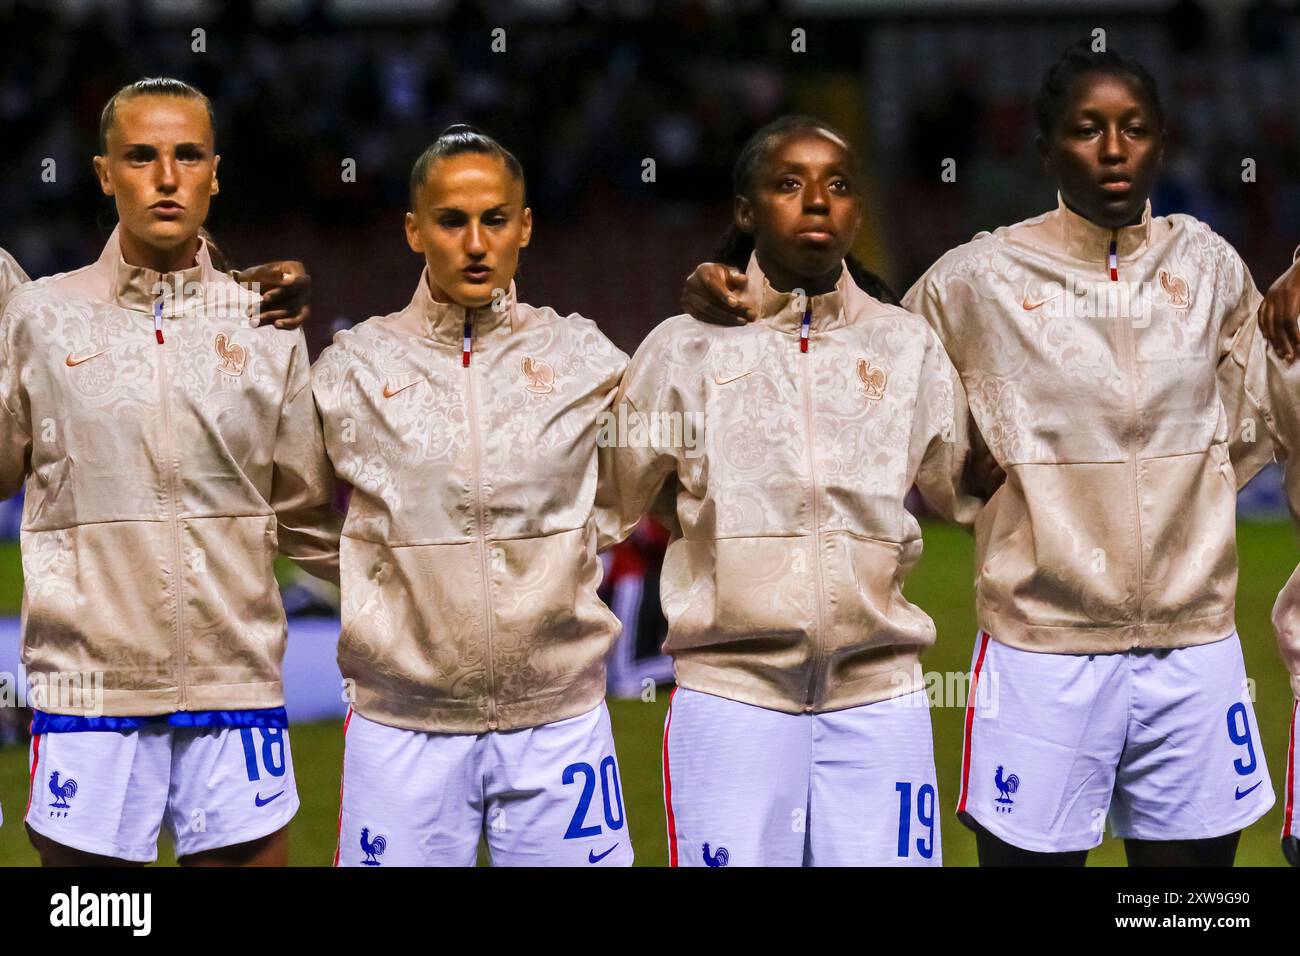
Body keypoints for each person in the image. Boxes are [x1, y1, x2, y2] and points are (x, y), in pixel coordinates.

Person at [683, 44, 1275, 867]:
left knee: (1192, 910)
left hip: (1198, 646)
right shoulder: (978, 279)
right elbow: (864, 330)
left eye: (1134, 129)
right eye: (1087, 130)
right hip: (1043, 652)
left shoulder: (1207, 266)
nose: (1112, 150)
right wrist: (735, 283)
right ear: (1046, 151)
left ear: (1161, 145)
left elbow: (1259, 395)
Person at [598, 115, 978, 866]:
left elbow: (973, 490)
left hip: (880, 699)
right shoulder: (683, 347)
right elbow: (605, 504)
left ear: (857, 214)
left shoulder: (906, 346)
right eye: (788, 183)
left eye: (837, 185)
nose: (816, 201)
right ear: (745, 212)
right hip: (730, 697)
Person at [0, 77, 340, 866]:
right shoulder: (39, 318)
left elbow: (304, 514)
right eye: (141, 156)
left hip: (237, 687)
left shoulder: (266, 324)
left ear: (215, 173)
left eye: (187, 155)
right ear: (103, 172)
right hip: (89, 692)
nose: (165, 175)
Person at [312, 125, 633, 867]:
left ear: (524, 226)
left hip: (559, 722)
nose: (476, 242)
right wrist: (377, 585)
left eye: (494, 219)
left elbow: (635, 481)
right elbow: (294, 505)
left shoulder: (583, 357)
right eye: (452, 221)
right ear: (414, 230)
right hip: (402, 725)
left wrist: (569, 551)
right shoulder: (354, 368)